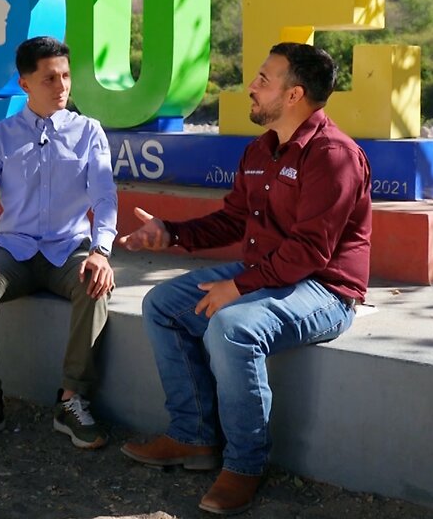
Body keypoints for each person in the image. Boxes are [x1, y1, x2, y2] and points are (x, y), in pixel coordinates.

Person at [118, 42, 373, 515]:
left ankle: (245, 464)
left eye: (263, 79)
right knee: (163, 305)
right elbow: (234, 220)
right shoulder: (260, 148)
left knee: (232, 327)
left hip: (324, 289)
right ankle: (193, 437)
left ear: (294, 95)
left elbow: (310, 251)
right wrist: (171, 233)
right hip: (265, 273)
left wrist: (236, 288)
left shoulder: (334, 155)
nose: (251, 87)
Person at [0, 36, 118, 451]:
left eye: (66, 76)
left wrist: (101, 251)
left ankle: (72, 400)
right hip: (14, 251)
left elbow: (104, 198)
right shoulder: (0, 136)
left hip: (70, 249)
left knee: (96, 284)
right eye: (49, 79)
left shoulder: (89, 132)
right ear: (25, 84)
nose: (62, 86)